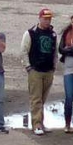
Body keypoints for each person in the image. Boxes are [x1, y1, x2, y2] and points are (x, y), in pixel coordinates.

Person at [21, 7, 58, 136]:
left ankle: (41, 122)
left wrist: (54, 66)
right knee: (36, 98)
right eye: (45, 18)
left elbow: (55, 51)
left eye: (49, 19)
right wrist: (28, 67)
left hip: (48, 70)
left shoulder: (53, 34)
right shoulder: (30, 33)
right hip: (35, 70)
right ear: (40, 18)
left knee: (43, 98)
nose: (47, 21)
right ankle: (36, 124)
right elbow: (24, 51)